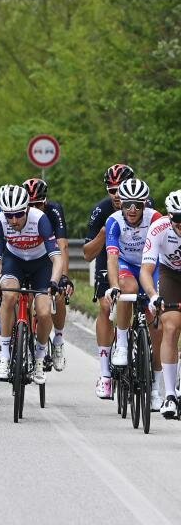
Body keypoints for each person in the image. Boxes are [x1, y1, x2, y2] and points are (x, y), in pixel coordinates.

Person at [0, 185, 63, 386]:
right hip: (15, 261)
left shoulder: (40, 219)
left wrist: (55, 282)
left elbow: (56, 258)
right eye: (9, 215)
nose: (13, 220)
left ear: (27, 209)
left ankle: (39, 359)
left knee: (45, 311)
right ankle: (4, 357)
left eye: (19, 214)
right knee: (9, 296)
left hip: (41, 264)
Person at [104, 178, 163, 410]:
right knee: (128, 290)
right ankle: (122, 343)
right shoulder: (114, 221)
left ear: (144, 204)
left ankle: (157, 389)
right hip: (128, 265)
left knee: (156, 327)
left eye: (137, 205)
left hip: (153, 266)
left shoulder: (156, 219)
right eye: (127, 204)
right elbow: (112, 258)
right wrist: (113, 286)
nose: (132, 210)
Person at [83, 164, 137, 399]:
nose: (116, 194)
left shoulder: (144, 204)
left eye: (119, 189)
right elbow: (86, 254)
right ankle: (105, 374)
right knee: (106, 307)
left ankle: (141, 347)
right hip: (109, 260)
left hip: (137, 262)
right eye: (111, 189)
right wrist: (103, 234)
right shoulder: (101, 209)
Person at [22, 178, 73, 371]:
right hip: (24, 258)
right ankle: (19, 336)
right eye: (30, 205)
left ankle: (58, 340)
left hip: (48, 258)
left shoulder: (53, 210)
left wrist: (64, 277)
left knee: (58, 293)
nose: (34, 208)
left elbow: (62, 245)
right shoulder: (17, 213)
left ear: (45, 201)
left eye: (38, 204)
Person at [140, 190, 181, 418]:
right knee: (171, 326)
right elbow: (146, 271)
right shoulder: (159, 228)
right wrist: (154, 296)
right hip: (170, 274)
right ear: (169, 216)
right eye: (178, 219)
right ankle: (170, 396)